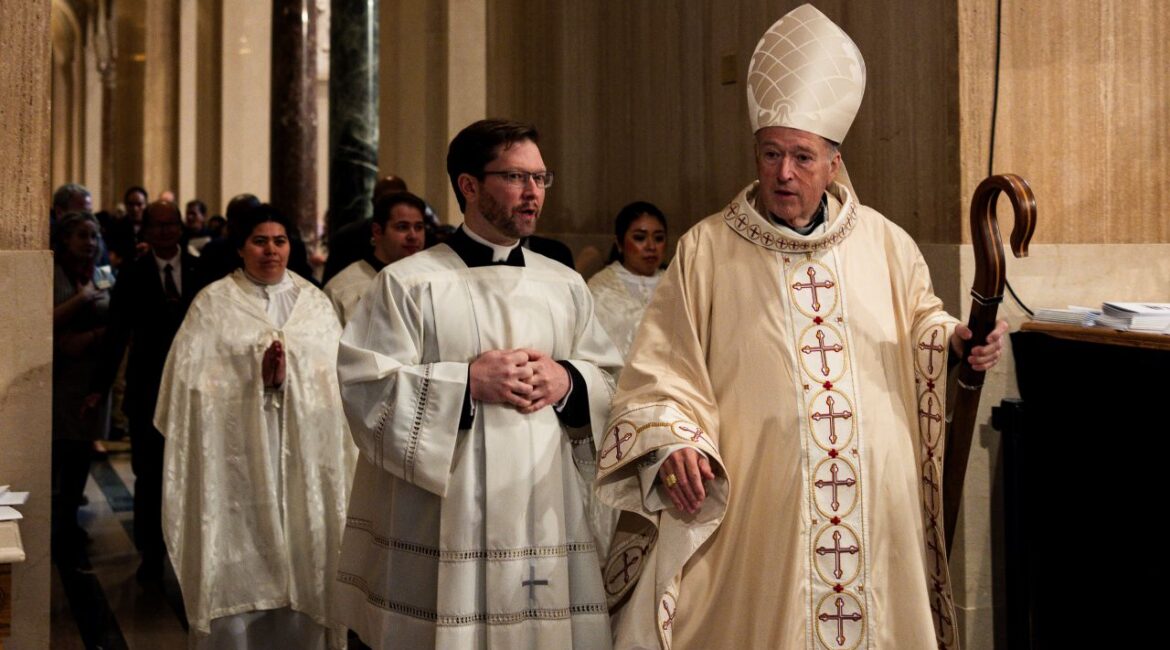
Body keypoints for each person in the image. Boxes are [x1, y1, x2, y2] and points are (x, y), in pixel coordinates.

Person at [594, 6, 1009, 650]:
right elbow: (661, 370)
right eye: (771, 154)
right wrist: (675, 439)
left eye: (802, 157)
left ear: (834, 163)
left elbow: (924, 322)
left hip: (875, 513)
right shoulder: (707, 250)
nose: (784, 173)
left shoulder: (885, 244)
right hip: (761, 521)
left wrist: (955, 343)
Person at [335, 119, 622, 648]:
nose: (534, 193)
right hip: (446, 520)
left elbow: (612, 378)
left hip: (545, 513)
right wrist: (465, 384)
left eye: (541, 178)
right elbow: (366, 388)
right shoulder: (407, 283)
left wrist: (569, 380)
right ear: (469, 185)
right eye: (516, 177)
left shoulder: (564, 285)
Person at [155, 204, 356, 648]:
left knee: (306, 555)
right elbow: (186, 393)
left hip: (304, 456)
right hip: (238, 461)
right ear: (241, 247)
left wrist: (291, 378)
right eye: (260, 241)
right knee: (241, 563)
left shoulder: (315, 305)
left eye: (280, 241)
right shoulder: (214, 305)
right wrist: (252, 379)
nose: (271, 251)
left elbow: (338, 385)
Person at [84, 201, 199, 584]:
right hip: (148, 389)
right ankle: (151, 554)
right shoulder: (132, 275)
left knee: (192, 475)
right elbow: (117, 335)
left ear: (180, 229)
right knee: (149, 476)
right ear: (145, 231)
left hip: (195, 390)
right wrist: (98, 388)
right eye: (158, 226)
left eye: (172, 225)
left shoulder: (202, 271)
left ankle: (192, 554)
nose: (166, 231)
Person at [51, 212, 115, 568]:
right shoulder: (53, 271)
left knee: (80, 452)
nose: (89, 243)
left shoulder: (102, 271)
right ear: (64, 239)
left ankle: (70, 520)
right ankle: (55, 524)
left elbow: (115, 316)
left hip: (93, 373)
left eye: (94, 236)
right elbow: (41, 318)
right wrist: (81, 300)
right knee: (61, 446)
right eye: (81, 236)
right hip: (62, 375)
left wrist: (91, 336)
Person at [323, 191, 426, 326]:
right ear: (377, 231)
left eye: (419, 227)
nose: (413, 236)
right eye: (402, 227)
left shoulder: (433, 280)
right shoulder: (341, 289)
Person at [587, 201, 667, 359]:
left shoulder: (678, 283)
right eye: (640, 238)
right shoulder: (600, 288)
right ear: (619, 243)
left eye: (658, 238)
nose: (651, 246)